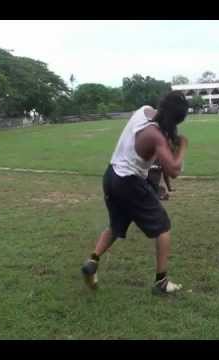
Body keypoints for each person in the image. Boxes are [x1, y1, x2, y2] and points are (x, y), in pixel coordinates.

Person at [81, 91, 189, 295]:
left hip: (111, 175)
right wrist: (182, 146)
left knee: (117, 225)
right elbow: (173, 171)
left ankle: (92, 261)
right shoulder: (156, 137)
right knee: (163, 226)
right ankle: (161, 282)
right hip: (129, 181)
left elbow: (157, 128)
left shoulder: (143, 111)